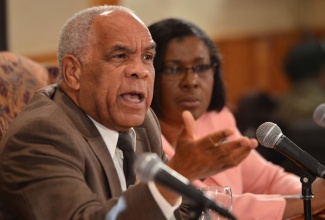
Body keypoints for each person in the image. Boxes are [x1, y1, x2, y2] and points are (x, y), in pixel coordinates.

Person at [0, 5, 257, 220]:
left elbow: (181, 212)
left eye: (147, 57)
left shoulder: (143, 123)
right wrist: (178, 174)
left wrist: (184, 180)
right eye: (120, 56)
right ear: (73, 72)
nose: (140, 71)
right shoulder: (41, 136)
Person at [148, 18, 325, 219]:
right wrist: (309, 202)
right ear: (149, 72)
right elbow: (209, 207)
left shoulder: (215, 118)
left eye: (201, 67)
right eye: (173, 69)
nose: (191, 81)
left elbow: (267, 178)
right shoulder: (142, 138)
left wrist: (315, 199)